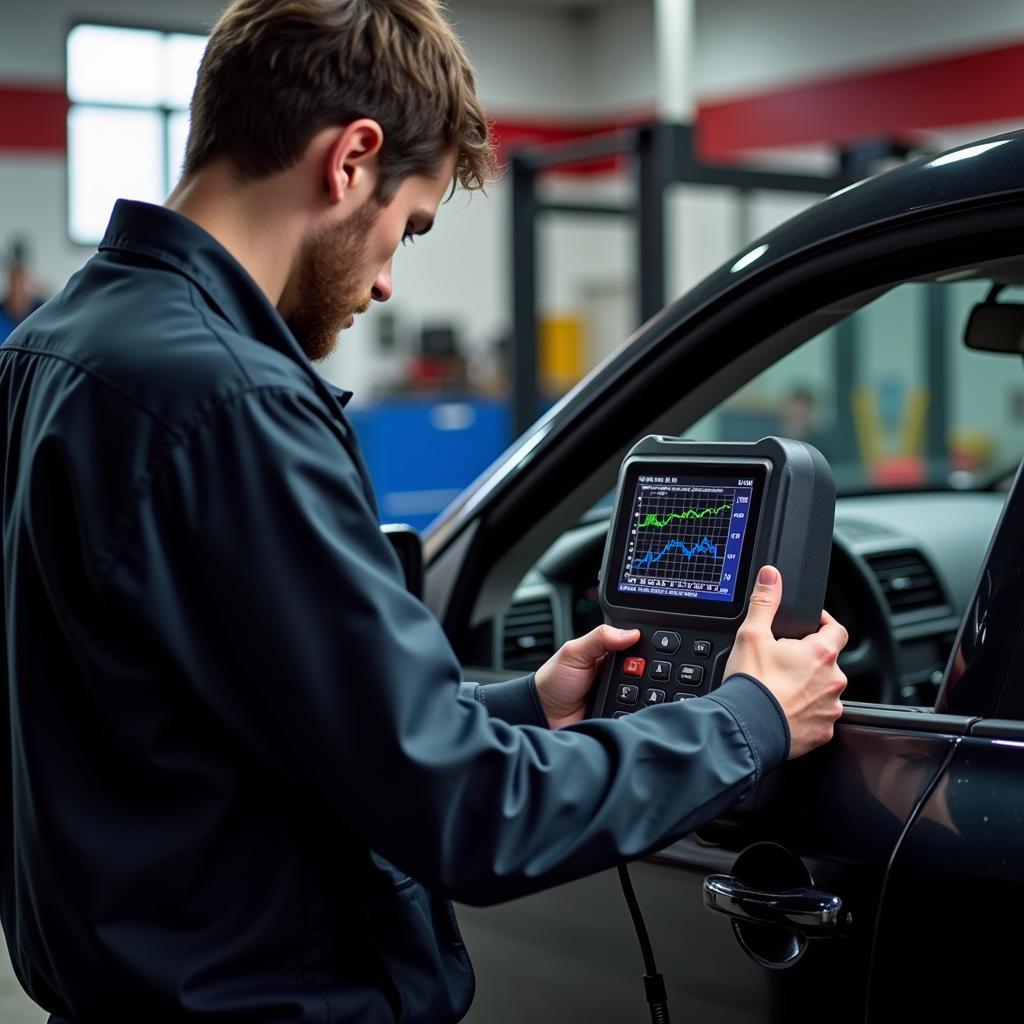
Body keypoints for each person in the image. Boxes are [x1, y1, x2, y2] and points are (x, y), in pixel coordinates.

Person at [0, 2, 848, 1022]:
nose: (390, 279)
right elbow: (469, 814)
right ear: (351, 159)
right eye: (408, 225)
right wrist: (749, 718)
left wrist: (526, 703)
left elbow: (231, 722)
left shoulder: (46, 352)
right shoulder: (234, 404)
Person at [0, 243, 46, 343]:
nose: (17, 287)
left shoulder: (42, 310)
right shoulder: (2, 311)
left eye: (21, 280)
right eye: (13, 280)